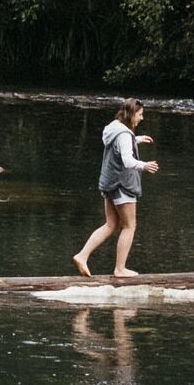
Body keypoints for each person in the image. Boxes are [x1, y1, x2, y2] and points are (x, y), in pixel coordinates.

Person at [70, 99, 157, 277]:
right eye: (140, 115)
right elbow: (127, 160)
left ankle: (82, 255)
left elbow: (120, 145)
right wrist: (144, 165)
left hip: (109, 184)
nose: (142, 118)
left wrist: (136, 139)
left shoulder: (114, 127)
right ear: (131, 114)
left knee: (111, 224)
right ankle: (120, 269)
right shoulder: (124, 135)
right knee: (129, 226)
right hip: (121, 185)